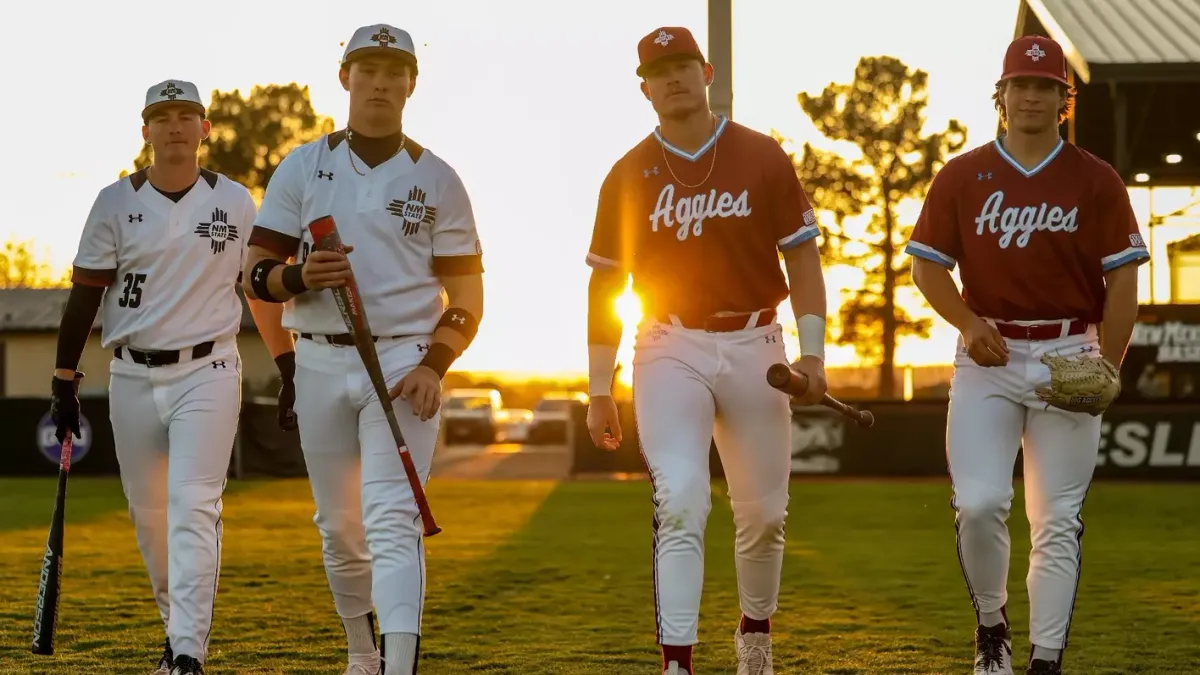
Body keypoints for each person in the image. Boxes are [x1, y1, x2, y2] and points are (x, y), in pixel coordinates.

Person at [584, 26, 830, 675]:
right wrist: (600, 387)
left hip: (757, 341)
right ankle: (677, 661)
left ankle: (754, 635)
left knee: (765, 514)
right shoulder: (628, 171)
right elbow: (606, 281)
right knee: (684, 495)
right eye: (659, 69)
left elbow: (802, 258)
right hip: (668, 342)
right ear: (643, 86)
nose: (673, 78)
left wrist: (813, 354)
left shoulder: (761, 155)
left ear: (707, 70)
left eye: (683, 65)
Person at [242, 23, 485, 675]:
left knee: (392, 516)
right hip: (321, 357)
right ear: (345, 76)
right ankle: (361, 651)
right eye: (367, 68)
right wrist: (299, 276)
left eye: (393, 70)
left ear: (411, 83)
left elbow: (466, 295)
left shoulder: (438, 179)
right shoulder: (302, 165)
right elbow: (255, 274)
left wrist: (437, 363)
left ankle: (399, 663)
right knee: (339, 527)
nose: (380, 81)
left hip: (403, 363)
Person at [905, 36, 1147, 675]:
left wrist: (1109, 364)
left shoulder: (1096, 178)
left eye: (1047, 87)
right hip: (989, 353)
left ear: (1065, 103)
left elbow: (1124, 281)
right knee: (980, 504)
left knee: (1056, 518)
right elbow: (926, 271)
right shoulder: (962, 174)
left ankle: (1045, 658)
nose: (1033, 96)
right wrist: (965, 319)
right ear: (1001, 97)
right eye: (1022, 85)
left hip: (1072, 348)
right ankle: (992, 626)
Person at [50, 79, 279, 675]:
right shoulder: (112, 202)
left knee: (192, 503)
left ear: (204, 128)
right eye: (162, 116)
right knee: (150, 516)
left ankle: (186, 652)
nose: (175, 125)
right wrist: (63, 378)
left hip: (210, 367)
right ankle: (175, 634)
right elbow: (83, 298)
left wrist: (288, 362)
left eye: (186, 115)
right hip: (131, 373)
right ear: (146, 130)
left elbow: (258, 290)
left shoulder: (235, 201)